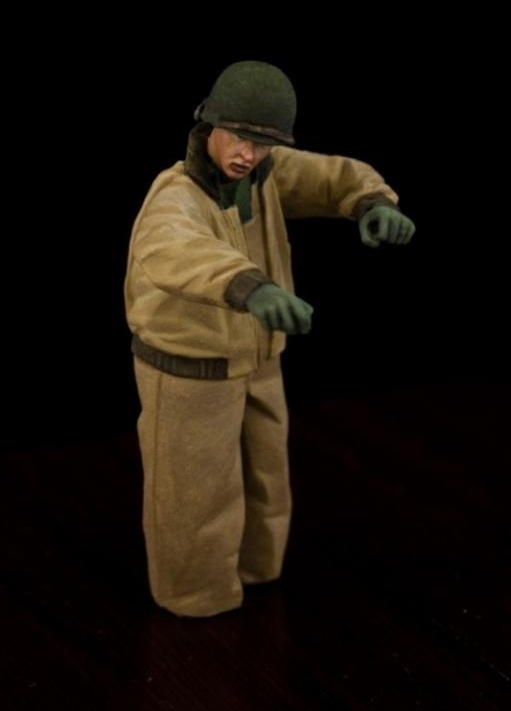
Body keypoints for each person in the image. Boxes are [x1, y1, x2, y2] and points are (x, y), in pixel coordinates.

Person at [124, 60, 415, 617]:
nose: (248, 153)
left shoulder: (263, 176)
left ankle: (257, 568)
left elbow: (332, 176)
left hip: (259, 355)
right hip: (191, 366)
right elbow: (176, 249)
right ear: (209, 124)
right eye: (238, 137)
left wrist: (373, 202)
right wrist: (249, 287)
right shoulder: (176, 196)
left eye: (262, 143)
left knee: (265, 476)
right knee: (193, 491)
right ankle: (195, 593)